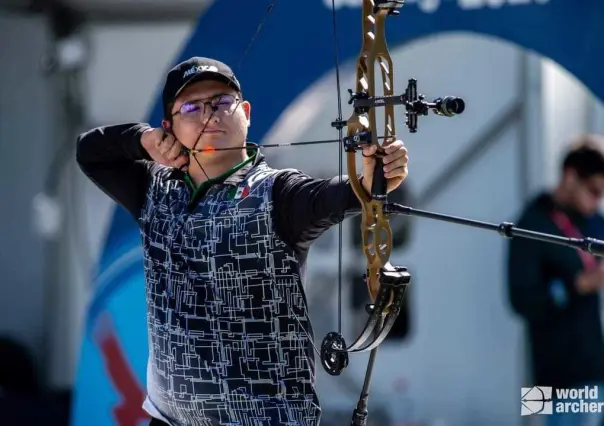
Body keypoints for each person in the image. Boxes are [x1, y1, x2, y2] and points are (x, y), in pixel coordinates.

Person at [76, 57, 409, 426]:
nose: (210, 115)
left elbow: (332, 198)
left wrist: (368, 181)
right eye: (192, 107)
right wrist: (142, 139)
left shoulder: (278, 193)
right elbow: (90, 153)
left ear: (245, 113)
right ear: (169, 128)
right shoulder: (153, 188)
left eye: (222, 102)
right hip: (170, 419)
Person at [507, 134, 604, 426]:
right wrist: (578, 285)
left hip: (595, 369)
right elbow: (520, 301)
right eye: (594, 191)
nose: (597, 201)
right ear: (570, 176)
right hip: (553, 376)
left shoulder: (593, 221)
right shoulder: (530, 224)